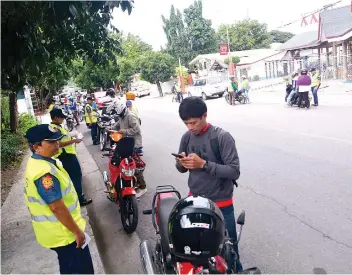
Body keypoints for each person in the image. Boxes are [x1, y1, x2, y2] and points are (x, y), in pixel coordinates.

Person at [175, 97, 243, 272]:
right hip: (196, 202)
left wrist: (204, 164)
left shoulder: (221, 137)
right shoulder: (186, 137)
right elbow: (181, 169)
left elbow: (234, 171)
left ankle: (236, 270)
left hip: (221, 203)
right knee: (198, 251)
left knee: (229, 250)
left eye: (194, 122)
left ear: (205, 116)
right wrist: (181, 163)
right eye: (186, 123)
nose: (190, 127)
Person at [24, 124, 94, 274]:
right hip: (65, 234)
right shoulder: (44, 173)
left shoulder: (41, 162)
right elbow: (56, 207)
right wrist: (77, 232)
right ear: (36, 147)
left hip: (59, 231)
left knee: (69, 267)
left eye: (57, 141)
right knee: (80, 270)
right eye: (51, 142)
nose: (57, 145)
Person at [50, 109, 92, 206]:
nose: (63, 119)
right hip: (66, 156)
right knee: (76, 176)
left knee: (73, 177)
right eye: (61, 117)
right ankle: (80, 199)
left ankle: (76, 197)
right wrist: (74, 141)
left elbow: (64, 138)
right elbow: (58, 144)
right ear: (56, 117)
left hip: (68, 155)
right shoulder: (54, 128)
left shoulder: (57, 126)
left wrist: (72, 138)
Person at [107, 101, 147, 198]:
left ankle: (143, 187)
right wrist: (110, 128)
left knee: (135, 166)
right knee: (124, 164)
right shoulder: (121, 116)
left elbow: (136, 129)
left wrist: (122, 131)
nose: (120, 115)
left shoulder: (131, 116)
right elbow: (118, 124)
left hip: (134, 143)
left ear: (124, 110)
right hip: (126, 142)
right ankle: (133, 182)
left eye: (120, 114)